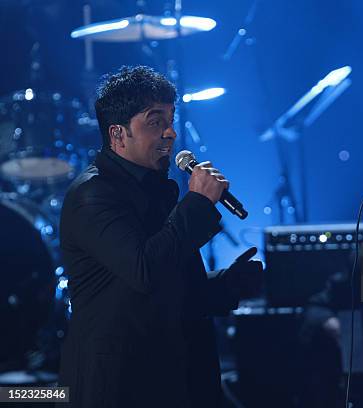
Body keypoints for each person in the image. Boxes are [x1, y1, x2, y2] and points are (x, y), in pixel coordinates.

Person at [58, 66, 262, 408]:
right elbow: (145, 271)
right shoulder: (93, 196)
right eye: (155, 121)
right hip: (121, 385)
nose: (170, 133)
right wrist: (196, 203)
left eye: (171, 119)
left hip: (172, 375)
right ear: (118, 134)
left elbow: (169, 285)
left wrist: (227, 284)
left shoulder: (156, 188)